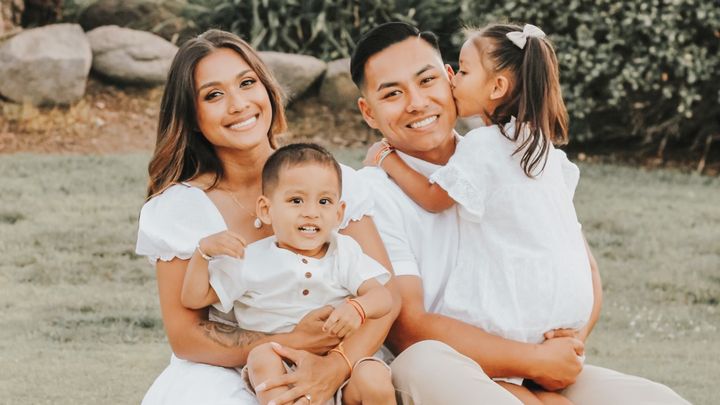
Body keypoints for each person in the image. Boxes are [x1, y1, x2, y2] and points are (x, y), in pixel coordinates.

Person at [352, 21, 690, 404]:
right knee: (426, 362)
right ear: (369, 112)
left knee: (657, 399)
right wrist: (535, 361)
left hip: (534, 357)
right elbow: (408, 329)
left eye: (427, 80)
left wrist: (563, 351)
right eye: (393, 94)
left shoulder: (509, 161)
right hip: (443, 367)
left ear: (449, 78)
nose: (416, 102)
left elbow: (583, 266)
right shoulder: (371, 192)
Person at [135, 29, 399, 405]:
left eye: (247, 83)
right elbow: (187, 336)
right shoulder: (180, 209)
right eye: (213, 95)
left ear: (267, 88)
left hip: (342, 357)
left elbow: (387, 297)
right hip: (227, 368)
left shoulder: (329, 182)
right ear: (191, 116)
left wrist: (336, 366)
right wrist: (293, 341)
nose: (239, 104)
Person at [367, 23, 598, 405]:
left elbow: (434, 197)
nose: (453, 80)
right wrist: (569, 344)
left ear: (496, 88)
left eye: (462, 71)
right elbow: (585, 261)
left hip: (511, 315)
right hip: (566, 310)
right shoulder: (540, 147)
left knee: (480, 369)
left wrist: (384, 158)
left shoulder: (483, 146)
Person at [180, 143, 396, 405]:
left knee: (373, 375)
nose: (311, 212)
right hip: (282, 364)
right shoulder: (250, 260)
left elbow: (383, 297)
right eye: (296, 201)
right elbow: (194, 298)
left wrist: (358, 308)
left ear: (338, 213)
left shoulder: (343, 251)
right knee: (262, 356)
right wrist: (202, 253)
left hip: (341, 367)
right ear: (266, 210)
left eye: (324, 202)